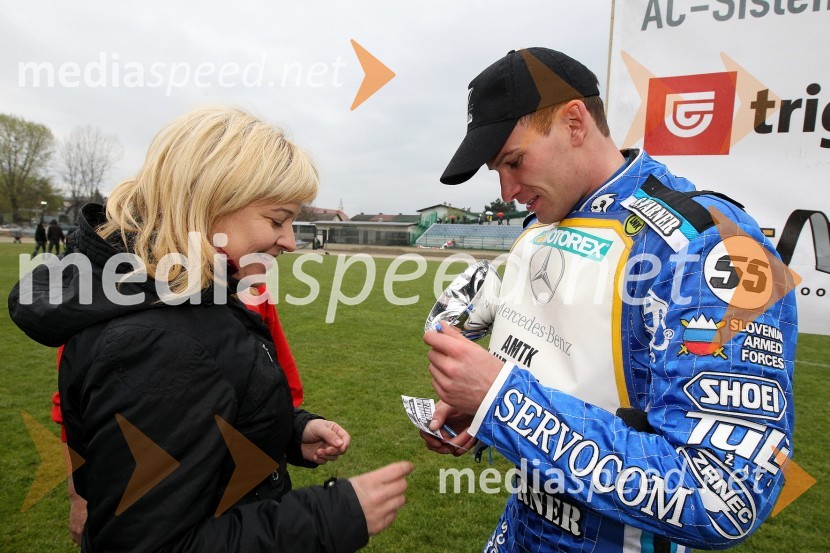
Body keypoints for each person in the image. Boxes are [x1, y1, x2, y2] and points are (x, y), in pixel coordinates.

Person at [421, 48, 797, 552]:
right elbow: (572, 386)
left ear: (575, 122)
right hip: (523, 530)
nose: (507, 189)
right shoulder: (544, 226)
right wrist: (484, 418)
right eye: (497, 170)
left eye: (514, 161)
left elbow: (725, 495)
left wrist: (502, 401)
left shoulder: (717, 242)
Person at [10, 106, 411, 552]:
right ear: (209, 206)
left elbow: (202, 422)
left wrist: (289, 432)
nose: (290, 241)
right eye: (277, 220)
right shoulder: (158, 340)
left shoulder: (184, 298)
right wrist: (330, 517)